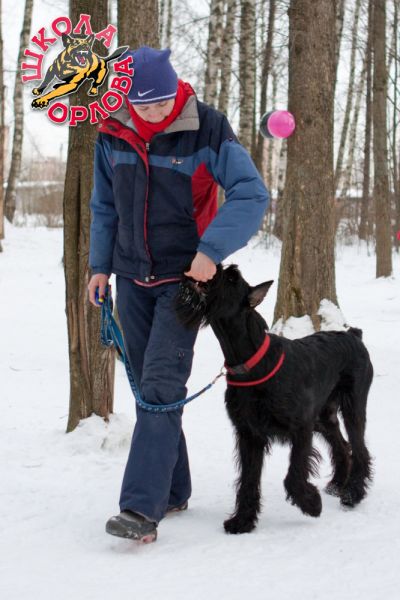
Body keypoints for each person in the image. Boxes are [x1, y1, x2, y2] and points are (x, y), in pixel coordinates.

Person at [87, 46, 269, 543]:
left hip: (185, 280)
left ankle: (140, 508)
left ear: (176, 91)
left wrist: (211, 251)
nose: (152, 113)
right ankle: (173, 488)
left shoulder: (207, 128)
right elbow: (104, 205)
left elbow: (252, 194)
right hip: (131, 277)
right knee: (149, 390)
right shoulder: (112, 129)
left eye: (161, 103)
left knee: (162, 386)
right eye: (143, 104)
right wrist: (100, 266)